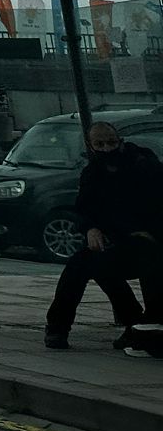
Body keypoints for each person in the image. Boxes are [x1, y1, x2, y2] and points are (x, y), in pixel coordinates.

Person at [45, 121, 162, 351]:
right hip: (117, 241)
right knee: (82, 265)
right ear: (91, 146)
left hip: (150, 241)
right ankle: (58, 327)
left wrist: (149, 232)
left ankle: (142, 326)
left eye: (111, 142)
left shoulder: (145, 167)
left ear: (120, 142)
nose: (107, 149)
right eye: (100, 144)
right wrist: (90, 228)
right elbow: (84, 209)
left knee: (139, 267)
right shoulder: (92, 174)